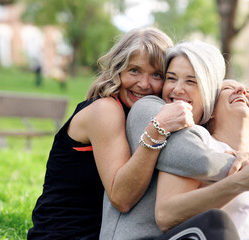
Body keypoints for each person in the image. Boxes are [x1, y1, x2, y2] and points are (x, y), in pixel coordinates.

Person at [101, 41, 249, 239]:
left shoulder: (243, 152)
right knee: (216, 221)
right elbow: (195, 157)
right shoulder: (154, 111)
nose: (177, 89)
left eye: (191, 81)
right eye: (171, 78)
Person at [27, 27, 195, 239]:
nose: (144, 84)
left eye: (156, 74)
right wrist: (157, 130)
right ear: (118, 70)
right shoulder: (106, 110)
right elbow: (121, 197)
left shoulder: (141, 113)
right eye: (134, 70)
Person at [155, 79, 249, 239]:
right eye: (227, 88)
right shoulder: (199, 142)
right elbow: (165, 216)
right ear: (211, 111)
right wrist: (241, 182)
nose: (241, 89)